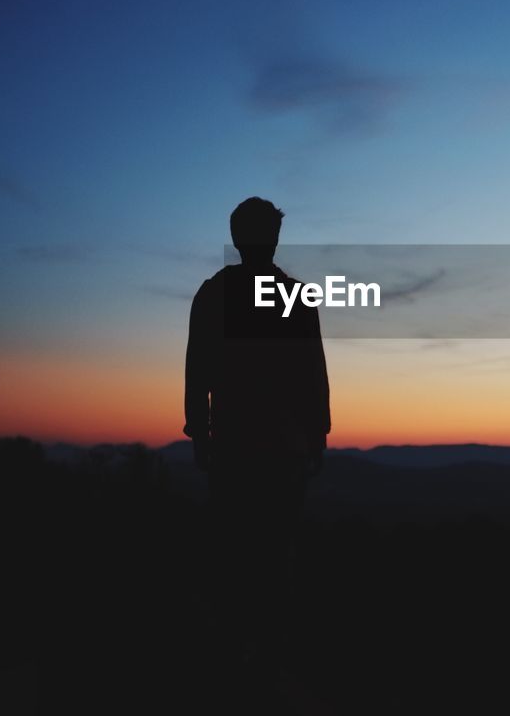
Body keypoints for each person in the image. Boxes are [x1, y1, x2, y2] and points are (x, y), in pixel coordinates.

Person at [183, 196, 331, 666]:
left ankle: (237, 648)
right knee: (276, 547)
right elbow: (314, 372)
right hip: (284, 448)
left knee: (234, 547)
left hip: (232, 444)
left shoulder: (214, 293)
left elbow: (197, 369)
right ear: (274, 237)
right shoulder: (296, 298)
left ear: (236, 238)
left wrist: (200, 433)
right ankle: (269, 650)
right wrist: (317, 434)